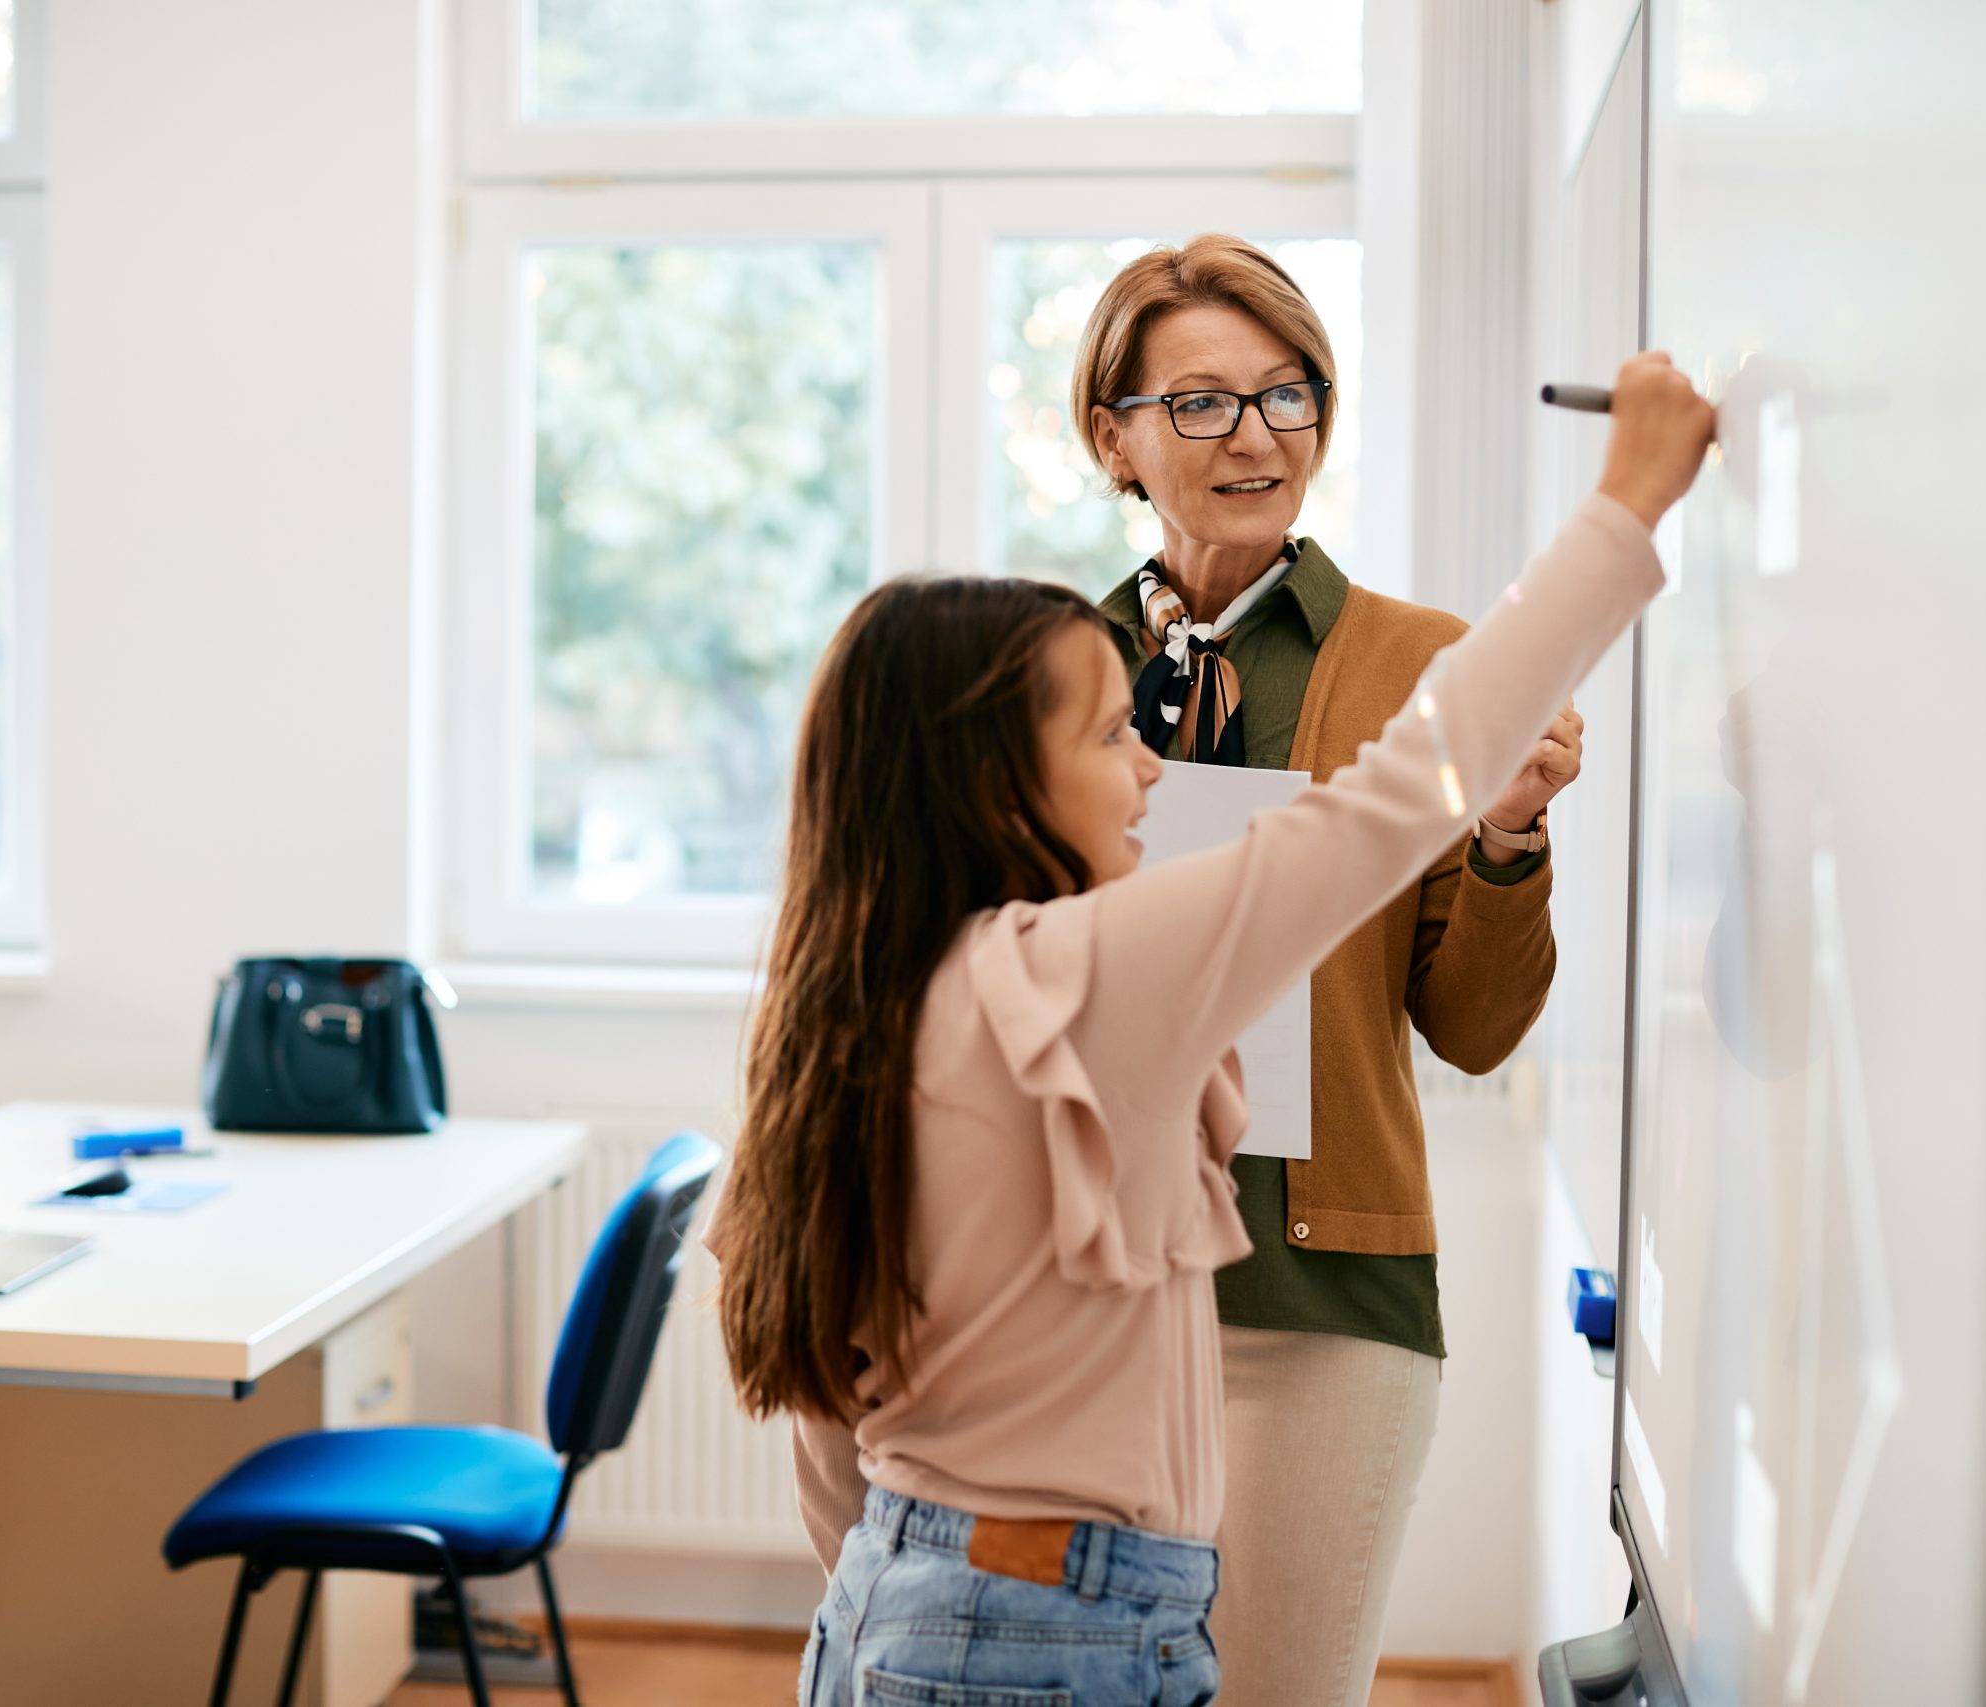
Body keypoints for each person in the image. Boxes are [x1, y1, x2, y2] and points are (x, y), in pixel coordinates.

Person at [707, 354, 1712, 1705]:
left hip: (906, 1602)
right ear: (994, 780)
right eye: (1116, 737)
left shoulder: (856, 1000)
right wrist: (1633, 497)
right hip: (1044, 1635)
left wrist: (928, 1622)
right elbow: (1403, 794)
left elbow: (835, 1455)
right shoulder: (1080, 972)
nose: (1150, 772)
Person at [1073, 234, 1583, 1704]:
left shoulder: (1437, 668)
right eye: (1202, 403)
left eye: (1289, 395)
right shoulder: (1050, 671)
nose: (1256, 437)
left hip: (1323, 1297)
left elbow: (1476, 1031)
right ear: (1115, 436)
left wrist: (1508, 834)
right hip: (1084, 1288)